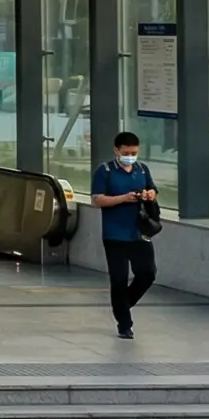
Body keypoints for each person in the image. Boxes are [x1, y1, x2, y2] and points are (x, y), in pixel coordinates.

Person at [92, 131, 162, 338]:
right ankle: (124, 323)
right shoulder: (105, 171)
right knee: (119, 278)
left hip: (138, 233)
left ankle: (123, 304)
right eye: (126, 152)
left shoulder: (141, 170)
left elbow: (153, 189)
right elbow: (97, 199)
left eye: (134, 152)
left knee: (147, 273)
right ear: (116, 150)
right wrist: (123, 198)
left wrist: (150, 195)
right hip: (115, 234)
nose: (130, 156)